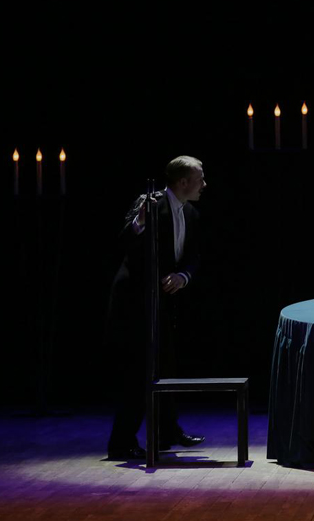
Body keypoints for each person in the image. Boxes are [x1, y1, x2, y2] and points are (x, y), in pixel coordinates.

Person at [106, 156, 208, 460]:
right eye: (200, 179)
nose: (204, 184)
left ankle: (167, 431)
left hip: (162, 301)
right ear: (183, 182)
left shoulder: (190, 212)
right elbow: (124, 240)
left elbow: (193, 257)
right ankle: (121, 442)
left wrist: (183, 276)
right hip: (135, 301)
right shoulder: (149, 203)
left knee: (165, 366)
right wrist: (139, 221)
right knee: (138, 371)